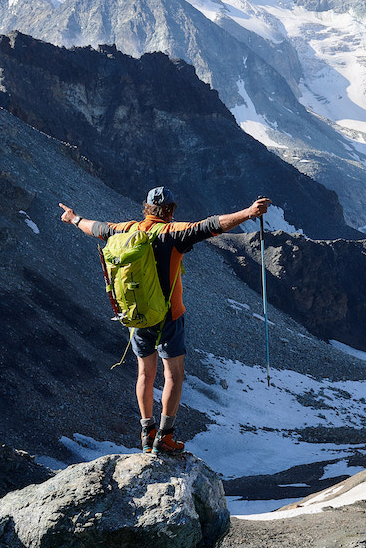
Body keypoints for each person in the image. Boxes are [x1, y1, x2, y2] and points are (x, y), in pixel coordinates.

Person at [59, 187, 271, 454]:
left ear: (146, 208)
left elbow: (96, 227)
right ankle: (166, 436)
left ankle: (146, 431)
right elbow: (212, 225)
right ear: (171, 209)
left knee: (145, 373)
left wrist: (73, 218)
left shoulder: (124, 230)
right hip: (169, 317)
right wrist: (249, 213)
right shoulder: (173, 233)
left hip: (137, 315)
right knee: (173, 375)